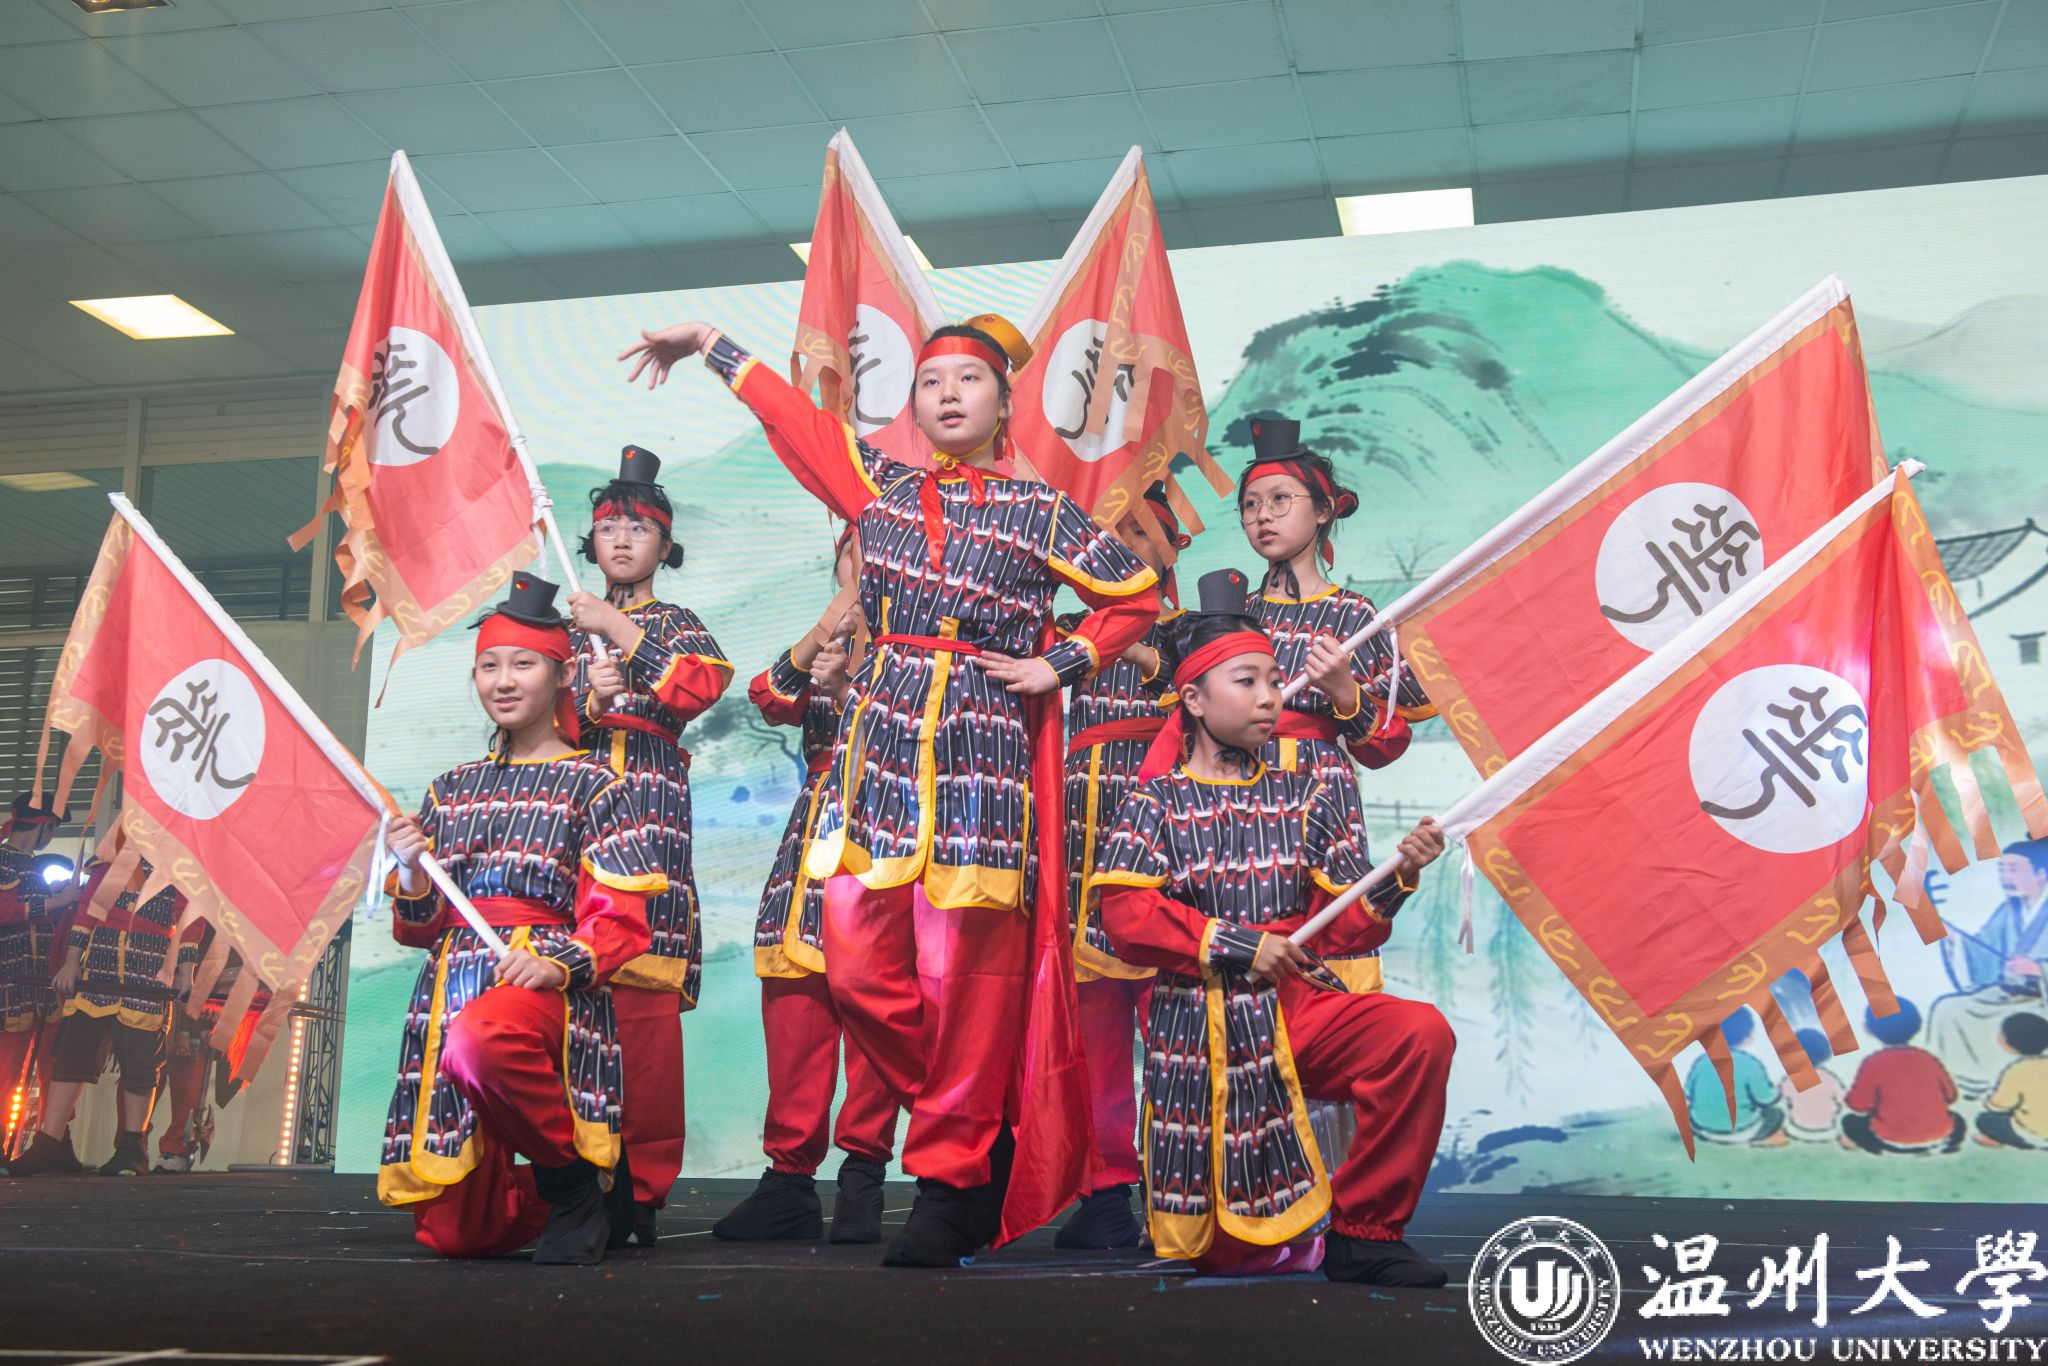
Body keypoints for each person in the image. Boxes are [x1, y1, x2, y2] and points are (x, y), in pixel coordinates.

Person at [621, 313, 1161, 1266]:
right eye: (930, 381)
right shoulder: (881, 487)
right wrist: (711, 347)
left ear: (1004, 401)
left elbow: (1134, 595)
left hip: (983, 767)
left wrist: (1062, 662)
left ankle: (950, 1181)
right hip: (877, 765)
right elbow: (798, 422)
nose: (948, 394)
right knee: (856, 967)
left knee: (971, 986)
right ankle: (980, 1118)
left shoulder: (1039, 511)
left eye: (969, 379)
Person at [1092, 568, 1454, 1288]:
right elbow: (1127, 917)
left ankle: (1366, 1231)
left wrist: (1399, 876)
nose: (1269, 697)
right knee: (1228, 1255)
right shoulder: (1154, 802)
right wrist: (1239, 944)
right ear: (1193, 699)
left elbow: (1346, 930)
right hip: (1205, 1022)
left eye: (1274, 681)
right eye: (1247, 682)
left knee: (1419, 1035)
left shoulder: (1308, 794)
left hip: (1298, 1009)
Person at [376, 572, 665, 1265]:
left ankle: (572, 1183)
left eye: (523, 664)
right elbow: (419, 929)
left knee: (483, 1039)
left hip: (541, 985)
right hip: (452, 982)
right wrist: (411, 870)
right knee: (459, 1237)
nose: (503, 681)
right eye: (489, 666)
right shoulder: (450, 789)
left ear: (563, 675)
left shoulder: (596, 784)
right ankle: (605, 1189)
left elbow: (621, 922)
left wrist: (556, 964)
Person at [565, 444, 732, 1247]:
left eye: (639, 529)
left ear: (666, 545)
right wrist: (586, 706)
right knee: (571, 1001)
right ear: (591, 543)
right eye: (609, 528)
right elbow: (524, 719)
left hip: (652, 823)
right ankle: (573, 1178)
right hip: (573, 822)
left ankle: (643, 1187)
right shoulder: (562, 631)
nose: (622, 540)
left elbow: (701, 686)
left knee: (646, 1012)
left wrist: (619, 631)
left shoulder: (675, 624)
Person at [715, 526, 899, 1244]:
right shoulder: (825, 642)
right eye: (855, 555)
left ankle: (862, 1177)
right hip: (811, 839)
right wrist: (831, 626)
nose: (867, 567)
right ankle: (789, 1181)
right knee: (796, 1007)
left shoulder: (917, 652)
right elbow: (768, 696)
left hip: (886, 830)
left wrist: (849, 690)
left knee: (876, 1011)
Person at [1236, 417, 1435, 993]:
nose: (1264, 516)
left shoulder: (1356, 617)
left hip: (1319, 798)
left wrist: (1347, 693)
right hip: (1231, 796)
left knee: (1327, 929)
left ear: (1324, 510)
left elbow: (1388, 745)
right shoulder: (1229, 618)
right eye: (1250, 505)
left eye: (1280, 500)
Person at [1054, 483, 1188, 1250]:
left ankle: (1185, 1184)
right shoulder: (1066, 629)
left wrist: (1139, 647)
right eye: (1109, 530)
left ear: (1169, 546)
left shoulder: (1198, 631)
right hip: (1080, 841)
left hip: (1167, 838)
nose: (1119, 543)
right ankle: (1107, 1189)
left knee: (1172, 1022)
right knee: (1093, 1028)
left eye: (1137, 531)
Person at [1927, 839, 2048, 1098]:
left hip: (2042, 999)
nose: (2005, 878)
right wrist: (1951, 935)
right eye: (2002, 870)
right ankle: (1968, 1083)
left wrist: (2039, 969)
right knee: (1949, 1009)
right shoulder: (2009, 910)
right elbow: (1982, 950)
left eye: (2013, 870)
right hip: (2008, 994)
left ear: (2041, 873)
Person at [0, 794, 73, 1171]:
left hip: (42, 979)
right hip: (9, 979)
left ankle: (54, 1141)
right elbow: (5, 911)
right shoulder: (3, 859)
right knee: (6, 1069)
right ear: (45, 826)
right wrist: (57, 903)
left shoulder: (32, 864)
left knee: (53, 1065)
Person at [1840, 1000, 1966, 1155]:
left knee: (1849, 1121)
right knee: (1958, 1120)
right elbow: (1951, 1096)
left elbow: (1857, 1105)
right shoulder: (1928, 1059)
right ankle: (1943, 1146)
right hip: (1939, 1136)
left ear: (1868, 1029)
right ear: (1918, 1026)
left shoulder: (1873, 1063)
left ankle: (1866, 1146)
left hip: (1889, 1140)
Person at [1682, 1008, 1788, 1147]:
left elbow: (1688, 1095)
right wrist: (1778, 1090)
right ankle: (1764, 1140)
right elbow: (1766, 1098)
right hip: (1741, 1130)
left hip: (1702, 1129)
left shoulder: (1701, 1062)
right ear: (1749, 1035)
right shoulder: (1750, 1063)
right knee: (1776, 1113)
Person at [1975, 1011, 2048, 1150]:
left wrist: (1988, 1101)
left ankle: (2021, 1143)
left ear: (2005, 1043)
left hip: (2034, 1132)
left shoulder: (2017, 1070)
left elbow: (1997, 1106)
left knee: (1984, 1120)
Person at [1780, 1028, 1847, 1144]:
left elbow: (1779, 1102)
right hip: (1829, 1131)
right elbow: (1844, 1102)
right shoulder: (1830, 1079)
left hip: (1797, 1130)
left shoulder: (1788, 1081)